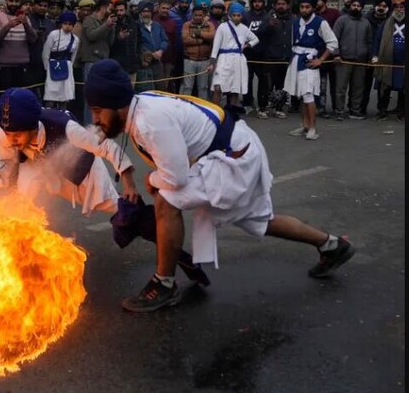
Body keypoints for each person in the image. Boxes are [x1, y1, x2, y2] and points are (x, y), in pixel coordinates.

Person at [84, 59, 355, 313]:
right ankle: (331, 245)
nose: (96, 119)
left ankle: (164, 283)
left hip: (232, 158)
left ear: (117, 103)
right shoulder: (139, 107)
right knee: (256, 220)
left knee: (167, 199)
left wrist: (152, 179)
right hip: (234, 150)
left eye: (98, 111)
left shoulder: (148, 122)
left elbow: (176, 179)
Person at [0, 87, 134, 217]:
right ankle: (23, 232)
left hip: (78, 164)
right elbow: (6, 160)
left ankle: (139, 215)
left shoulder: (66, 128)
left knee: (111, 203)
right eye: (8, 134)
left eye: (17, 135)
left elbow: (106, 146)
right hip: (38, 164)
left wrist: (128, 182)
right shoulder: (5, 132)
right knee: (24, 195)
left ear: (32, 127)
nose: (12, 140)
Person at [284, 0, 340, 140]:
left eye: (307, 7)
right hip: (296, 60)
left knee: (309, 95)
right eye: (302, 7)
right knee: (302, 95)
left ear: (313, 8)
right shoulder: (296, 22)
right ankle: (305, 125)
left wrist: (321, 59)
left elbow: (333, 43)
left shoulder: (320, 22)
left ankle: (313, 128)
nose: (304, 10)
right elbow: (292, 43)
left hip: (309, 61)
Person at [210, 3, 259, 108]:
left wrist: (247, 45)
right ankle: (216, 112)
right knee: (217, 86)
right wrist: (212, 62)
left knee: (235, 89)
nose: (236, 18)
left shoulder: (244, 28)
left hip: (238, 60)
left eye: (239, 15)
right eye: (234, 15)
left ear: (242, 16)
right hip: (223, 59)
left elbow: (255, 39)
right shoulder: (222, 27)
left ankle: (232, 113)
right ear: (230, 15)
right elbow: (216, 46)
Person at [0, 0, 38, 92]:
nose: (14, 4)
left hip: (23, 68)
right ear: (6, 1)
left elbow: (33, 40)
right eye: (11, 1)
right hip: (5, 68)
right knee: (5, 102)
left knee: (21, 102)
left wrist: (25, 24)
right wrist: (8, 26)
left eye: (16, 1)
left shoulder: (25, 18)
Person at [332, 0, 372, 119]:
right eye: (354, 5)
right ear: (350, 6)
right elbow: (334, 39)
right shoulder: (341, 20)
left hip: (360, 61)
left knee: (358, 88)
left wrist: (369, 56)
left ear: (362, 8)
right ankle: (339, 111)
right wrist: (337, 54)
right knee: (340, 88)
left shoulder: (366, 22)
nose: (356, 7)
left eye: (358, 6)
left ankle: (355, 111)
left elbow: (369, 41)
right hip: (343, 60)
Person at [79, 0, 117, 121]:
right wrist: (106, 25)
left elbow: (110, 42)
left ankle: (99, 124)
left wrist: (111, 27)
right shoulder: (89, 20)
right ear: (102, 8)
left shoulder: (105, 22)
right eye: (110, 9)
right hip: (91, 62)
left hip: (103, 61)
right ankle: (88, 126)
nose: (112, 12)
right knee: (91, 97)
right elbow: (91, 36)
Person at [258, 0, 294, 119]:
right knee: (267, 85)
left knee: (281, 85)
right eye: (278, 4)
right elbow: (259, 34)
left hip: (285, 58)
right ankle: (263, 108)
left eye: (284, 4)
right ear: (274, 5)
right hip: (270, 57)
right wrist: (269, 26)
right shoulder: (268, 17)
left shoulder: (293, 19)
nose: (281, 6)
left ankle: (279, 108)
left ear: (288, 6)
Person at [372, 0, 405, 121]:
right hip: (386, 62)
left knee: (403, 88)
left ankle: (402, 111)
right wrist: (375, 56)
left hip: (402, 64)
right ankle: (382, 111)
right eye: (396, 7)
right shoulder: (385, 24)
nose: (399, 10)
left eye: (401, 7)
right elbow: (377, 40)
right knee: (384, 87)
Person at [42, 11, 80, 109]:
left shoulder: (75, 39)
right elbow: (46, 52)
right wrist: (47, 67)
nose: (67, 26)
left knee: (65, 95)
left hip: (66, 67)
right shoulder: (53, 34)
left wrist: (69, 66)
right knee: (52, 94)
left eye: (70, 24)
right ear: (61, 24)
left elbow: (73, 56)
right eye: (65, 23)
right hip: (53, 65)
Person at [242, 0, 271, 114]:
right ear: (252, 3)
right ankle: (247, 103)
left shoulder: (269, 17)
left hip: (263, 54)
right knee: (246, 79)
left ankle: (262, 105)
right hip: (248, 53)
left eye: (260, 1)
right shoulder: (245, 16)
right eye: (255, 1)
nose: (257, 4)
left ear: (264, 3)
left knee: (263, 80)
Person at [363, 0, 392, 114]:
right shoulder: (366, 20)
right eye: (379, 5)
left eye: (384, 6)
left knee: (383, 85)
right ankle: (361, 108)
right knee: (365, 85)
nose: (381, 8)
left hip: (384, 59)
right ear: (375, 6)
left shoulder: (391, 21)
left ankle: (382, 109)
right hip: (368, 58)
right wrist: (370, 56)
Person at [315, 0, 342, 117]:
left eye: (318, 0)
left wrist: (337, 52)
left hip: (334, 54)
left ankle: (337, 109)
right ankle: (321, 108)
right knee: (321, 85)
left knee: (336, 85)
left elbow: (338, 34)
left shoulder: (334, 14)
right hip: (320, 55)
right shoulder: (313, 15)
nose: (316, 2)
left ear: (324, 1)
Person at [180, 6, 216, 99]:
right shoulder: (187, 25)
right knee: (187, 87)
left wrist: (199, 34)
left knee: (203, 87)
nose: (198, 17)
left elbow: (212, 36)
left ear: (204, 15)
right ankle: (185, 107)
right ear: (192, 15)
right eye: (196, 15)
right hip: (190, 60)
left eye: (200, 15)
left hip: (204, 60)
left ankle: (202, 108)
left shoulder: (210, 25)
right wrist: (201, 41)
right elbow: (185, 40)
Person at [136, 1, 169, 93]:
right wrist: (148, 53)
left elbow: (165, 40)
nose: (146, 14)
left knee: (160, 88)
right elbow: (137, 44)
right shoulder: (136, 26)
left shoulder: (157, 25)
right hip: (144, 64)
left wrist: (161, 51)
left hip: (157, 62)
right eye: (144, 11)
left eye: (148, 11)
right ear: (140, 13)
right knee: (146, 90)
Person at [27, 0, 55, 90]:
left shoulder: (51, 23)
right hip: (30, 63)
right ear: (34, 5)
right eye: (40, 5)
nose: (42, 8)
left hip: (47, 65)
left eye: (45, 6)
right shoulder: (27, 21)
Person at [109, 0, 140, 85]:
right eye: (117, 10)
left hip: (132, 64)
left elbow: (138, 41)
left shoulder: (133, 23)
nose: (119, 13)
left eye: (121, 10)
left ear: (125, 10)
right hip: (117, 65)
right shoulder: (112, 23)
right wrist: (118, 38)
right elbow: (108, 44)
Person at [153, 0, 179, 92]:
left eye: (167, 8)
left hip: (167, 59)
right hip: (154, 58)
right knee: (155, 84)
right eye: (163, 8)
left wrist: (173, 61)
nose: (165, 10)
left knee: (165, 85)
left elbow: (173, 42)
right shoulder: (153, 21)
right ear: (158, 8)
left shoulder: (172, 23)